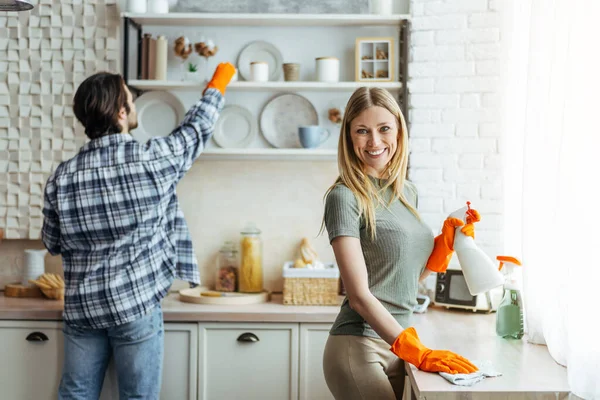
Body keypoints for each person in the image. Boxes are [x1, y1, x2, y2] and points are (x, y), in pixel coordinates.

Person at [41, 62, 236, 399]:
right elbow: (196, 129)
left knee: (75, 395)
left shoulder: (62, 176)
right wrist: (218, 83)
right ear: (120, 110)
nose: (133, 105)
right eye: (130, 99)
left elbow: (52, 242)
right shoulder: (152, 160)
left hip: (83, 309)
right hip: (135, 307)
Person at [321, 87, 480, 400]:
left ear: (399, 130)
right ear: (349, 137)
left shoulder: (407, 192)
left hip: (399, 343)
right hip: (359, 344)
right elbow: (358, 297)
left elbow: (403, 278)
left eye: (384, 129)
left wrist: (444, 247)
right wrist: (417, 352)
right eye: (362, 131)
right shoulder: (344, 197)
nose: (375, 142)